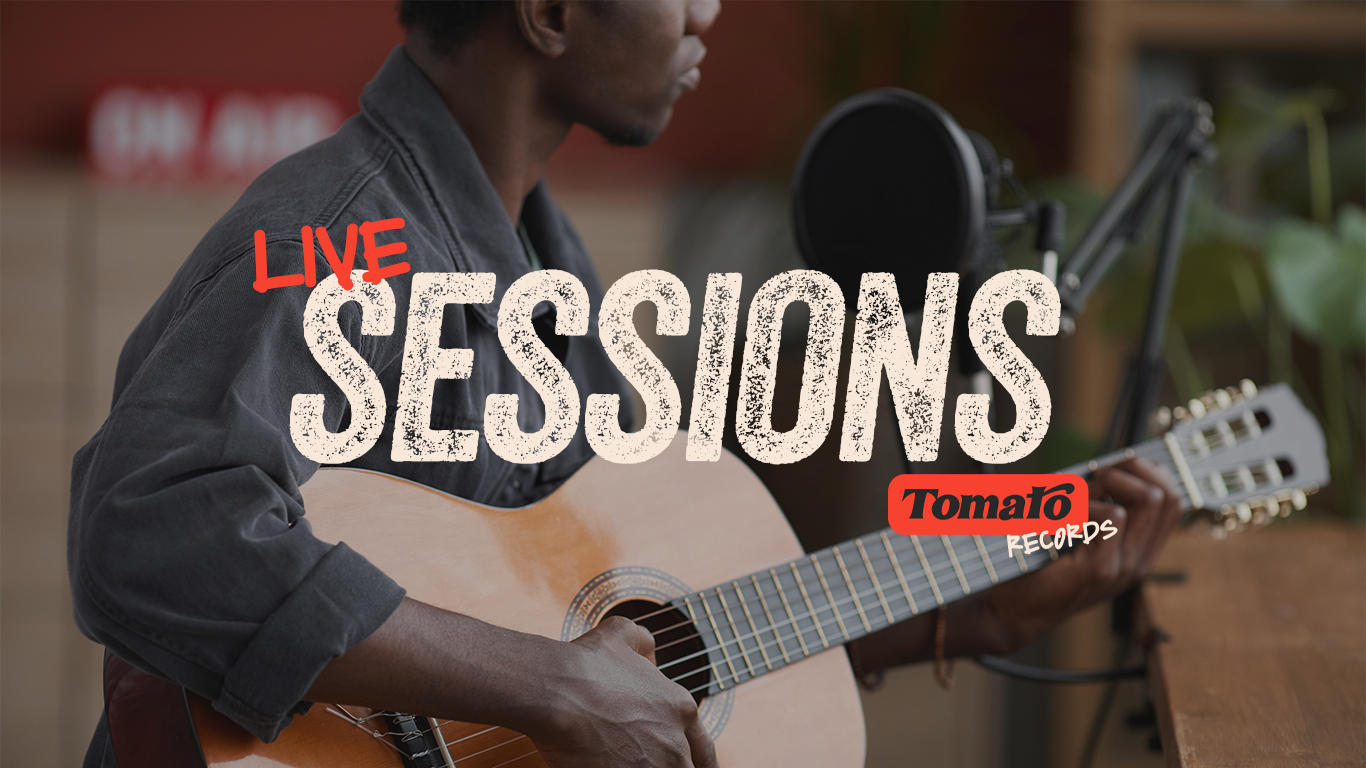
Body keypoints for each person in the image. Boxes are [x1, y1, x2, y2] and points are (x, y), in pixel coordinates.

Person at [69, 2, 1183, 766]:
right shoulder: (339, 234)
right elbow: (152, 521)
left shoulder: (546, 270)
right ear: (549, 10)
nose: (708, 17)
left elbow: (649, 634)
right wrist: (546, 689)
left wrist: (964, 614)